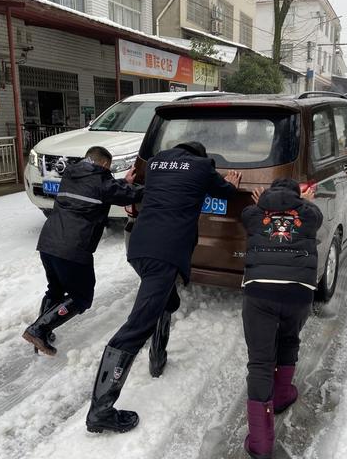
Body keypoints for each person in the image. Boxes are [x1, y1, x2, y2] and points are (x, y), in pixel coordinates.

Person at [85, 141, 242, 434]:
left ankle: (158, 360)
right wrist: (231, 184)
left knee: (166, 301)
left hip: (140, 247)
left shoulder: (156, 164)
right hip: (165, 253)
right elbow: (225, 191)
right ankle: (100, 411)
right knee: (136, 326)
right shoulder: (202, 167)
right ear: (200, 155)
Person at [22, 146, 143, 356]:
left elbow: (105, 190)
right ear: (105, 164)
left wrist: (123, 183)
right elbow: (126, 195)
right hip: (73, 248)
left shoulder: (70, 174)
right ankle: (39, 329)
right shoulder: (102, 181)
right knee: (81, 297)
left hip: (48, 242)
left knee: (55, 289)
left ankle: (41, 332)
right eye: (109, 167)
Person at [240, 179, 323, 459]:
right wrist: (305, 201)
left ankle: (261, 444)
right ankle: (283, 394)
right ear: (298, 194)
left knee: (261, 361)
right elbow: (312, 215)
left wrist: (262, 202)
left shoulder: (253, 214)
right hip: (299, 292)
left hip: (259, 291)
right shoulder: (309, 215)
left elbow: (250, 215)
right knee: (289, 339)